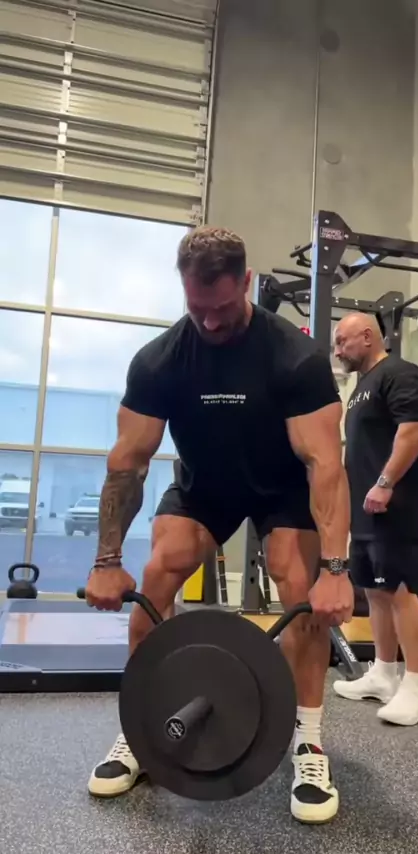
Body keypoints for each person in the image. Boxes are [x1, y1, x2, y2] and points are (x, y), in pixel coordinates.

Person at [84, 226, 353, 823]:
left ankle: (309, 744)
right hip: (205, 485)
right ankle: (142, 730)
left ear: (247, 283)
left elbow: (325, 466)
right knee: (161, 570)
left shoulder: (295, 357)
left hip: (282, 488)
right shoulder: (159, 361)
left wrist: (335, 569)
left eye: (223, 308)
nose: (209, 322)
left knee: (299, 586)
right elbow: (127, 464)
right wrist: (106, 561)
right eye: (196, 308)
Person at [332, 312, 418, 726]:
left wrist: (384, 483)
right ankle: (383, 673)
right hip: (368, 512)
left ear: (367, 336)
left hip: (400, 507)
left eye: (342, 341)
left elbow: (413, 431)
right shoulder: (363, 386)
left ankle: (417, 687)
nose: (338, 350)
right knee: (374, 590)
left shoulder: (400, 374)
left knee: (399, 591)